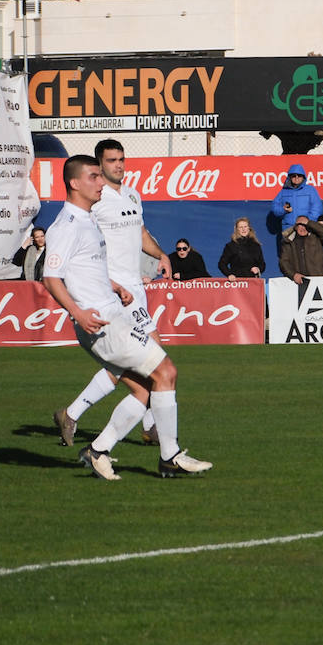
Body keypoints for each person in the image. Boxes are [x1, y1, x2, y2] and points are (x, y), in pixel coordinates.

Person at [40, 155, 211, 480]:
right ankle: (169, 456)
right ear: (75, 183)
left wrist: (114, 285)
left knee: (147, 389)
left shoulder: (87, 219)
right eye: (94, 176)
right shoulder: (67, 225)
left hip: (111, 312)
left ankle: (98, 450)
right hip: (103, 323)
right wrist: (77, 312)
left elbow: (86, 267)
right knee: (167, 372)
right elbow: (51, 277)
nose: (101, 181)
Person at [53, 139, 169, 449]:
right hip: (115, 294)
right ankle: (150, 427)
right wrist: (108, 285)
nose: (118, 165)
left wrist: (161, 255)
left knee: (126, 366)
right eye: (111, 160)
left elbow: (140, 233)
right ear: (99, 165)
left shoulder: (132, 194)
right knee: (155, 358)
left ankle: (72, 413)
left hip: (135, 288)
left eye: (121, 159)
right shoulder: (94, 202)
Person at [269, 163, 323, 234]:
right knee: (288, 245)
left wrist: (307, 222)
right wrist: (283, 210)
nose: (296, 177)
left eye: (299, 175)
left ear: (303, 177)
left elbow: (317, 208)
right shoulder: (283, 192)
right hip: (288, 228)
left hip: (306, 228)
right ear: (290, 177)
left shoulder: (310, 190)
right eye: (293, 176)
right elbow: (274, 208)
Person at [279, 215, 323, 284]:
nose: (303, 228)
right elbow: (284, 262)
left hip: (320, 280)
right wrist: (294, 275)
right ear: (295, 227)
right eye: (300, 225)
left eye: (305, 225)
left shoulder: (315, 238)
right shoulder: (288, 241)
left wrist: (309, 223)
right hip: (299, 282)